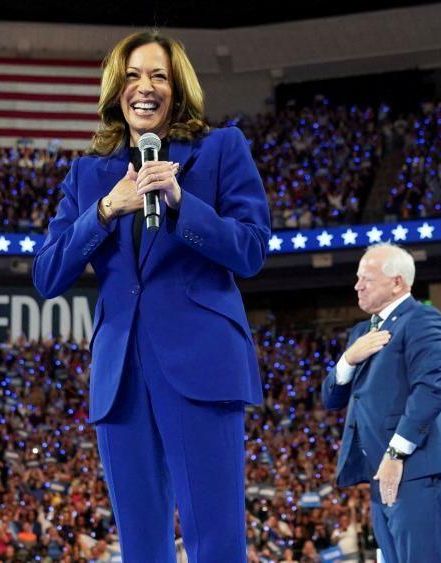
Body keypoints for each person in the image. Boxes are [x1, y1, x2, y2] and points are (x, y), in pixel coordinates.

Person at [32, 30, 270, 562]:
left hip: (202, 362)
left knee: (216, 539)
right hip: (120, 375)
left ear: (177, 87)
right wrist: (104, 211)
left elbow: (252, 250)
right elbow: (47, 275)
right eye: (133, 75)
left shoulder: (220, 148)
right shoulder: (88, 173)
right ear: (117, 90)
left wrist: (182, 203)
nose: (146, 87)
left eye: (159, 75)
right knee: (141, 545)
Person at [322, 243, 441, 563]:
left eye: (367, 279)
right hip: (381, 475)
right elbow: (331, 398)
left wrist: (395, 453)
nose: (357, 285)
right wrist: (349, 358)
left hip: (415, 467)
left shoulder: (422, 318)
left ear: (398, 283)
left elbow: (429, 393)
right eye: (357, 278)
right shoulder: (361, 333)